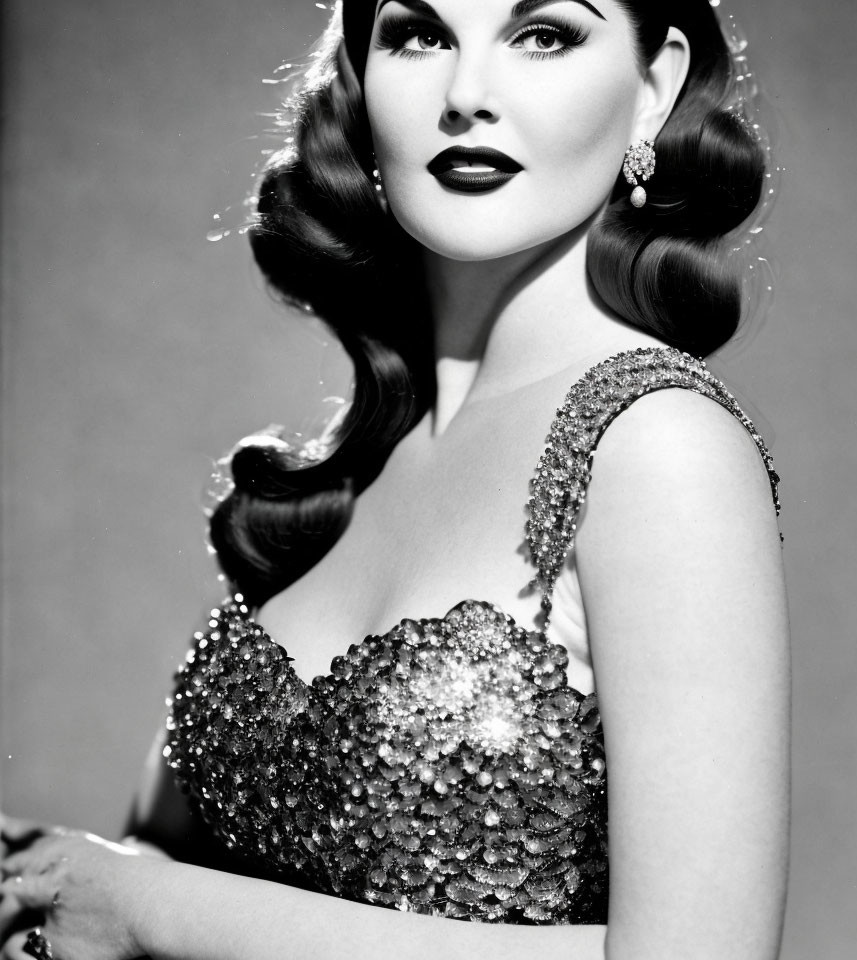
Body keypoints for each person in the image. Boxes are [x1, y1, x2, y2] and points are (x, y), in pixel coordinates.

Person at [0, 0, 790, 956]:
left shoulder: (655, 445)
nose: (466, 94)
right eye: (420, 34)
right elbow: (170, 859)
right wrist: (57, 880)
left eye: (544, 33)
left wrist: (151, 913)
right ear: (360, 77)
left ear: (654, 86)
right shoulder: (367, 448)